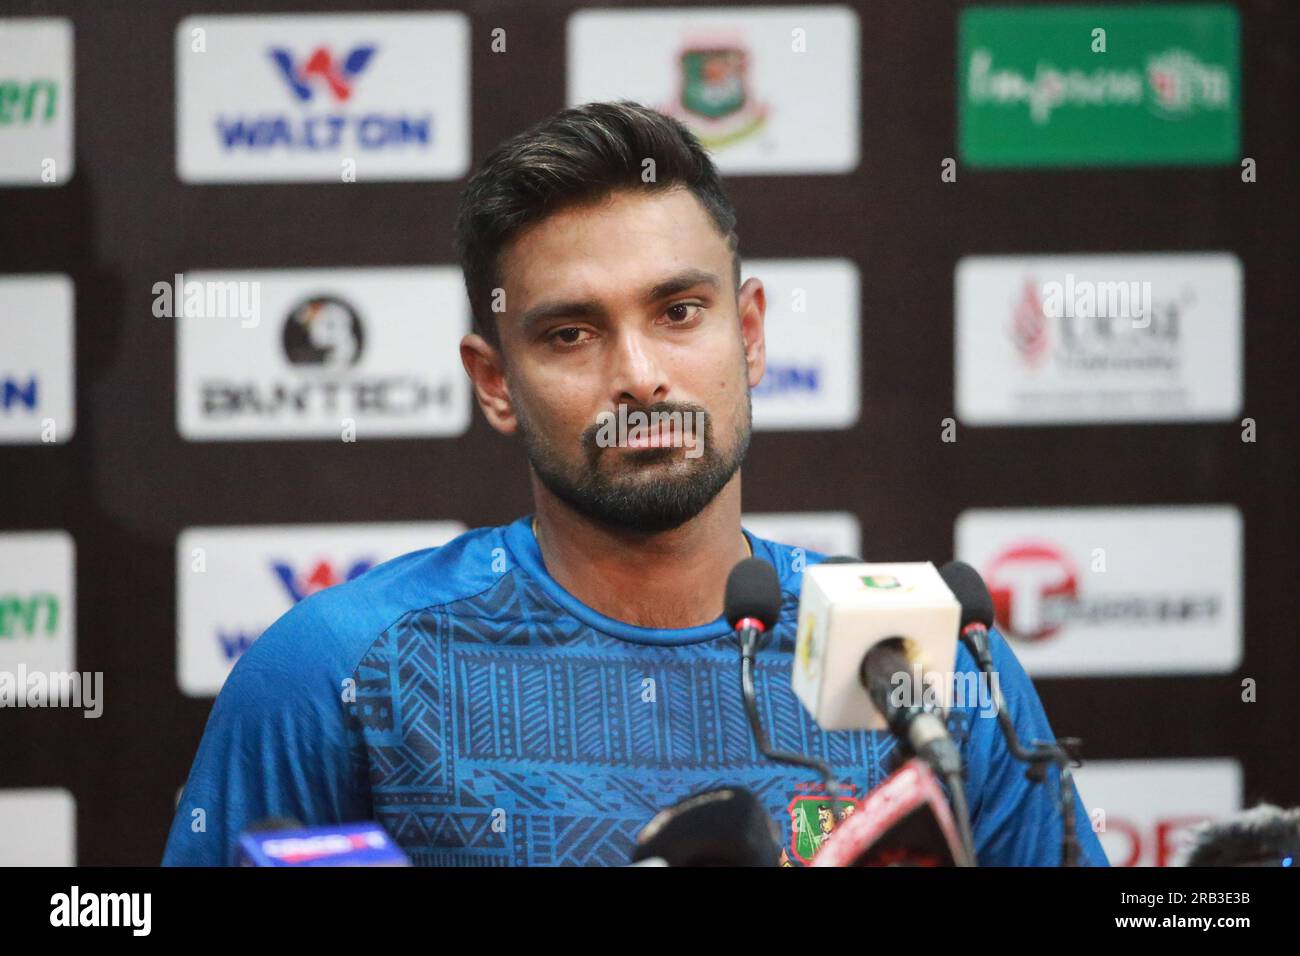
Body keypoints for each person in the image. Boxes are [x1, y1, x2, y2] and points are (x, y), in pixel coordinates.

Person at [162, 101, 1107, 867]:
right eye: (571, 333)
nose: (641, 374)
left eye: (680, 311)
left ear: (751, 333)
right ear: (496, 383)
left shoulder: (928, 664)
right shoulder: (335, 671)